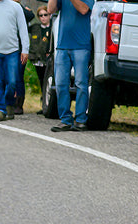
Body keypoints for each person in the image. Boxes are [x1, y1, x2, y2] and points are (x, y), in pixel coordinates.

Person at [48, 0, 94, 131]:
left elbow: (84, 9)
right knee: (61, 84)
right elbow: (50, 9)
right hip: (62, 45)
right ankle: (65, 119)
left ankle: (80, 120)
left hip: (81, 46)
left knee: (81, 83)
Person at [10, 0, 34, 113]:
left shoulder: (19, 8)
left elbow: (31, 15)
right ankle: (8, 102)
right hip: (7, 46)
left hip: (19, 48)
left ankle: (19, 104)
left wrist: (19, 5)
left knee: (19, 76)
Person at [28, 4, 52, 112]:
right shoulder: (35, 27)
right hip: (38, 60)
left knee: (49, 82)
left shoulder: (53, 28)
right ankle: (43, 104)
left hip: (49, 61)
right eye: (40, 15)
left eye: (45, 15)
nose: (43, 17)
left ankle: (49, 104)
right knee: (41, 81)